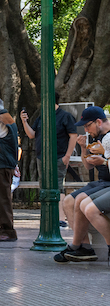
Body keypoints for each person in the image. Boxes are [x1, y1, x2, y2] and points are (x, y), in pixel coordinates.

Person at [53, 106, 110, 263]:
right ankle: (84, 246)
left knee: (81, 201)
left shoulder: (107, 138)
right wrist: (83, 147)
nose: (85, 129)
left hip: (107, 183)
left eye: (87, 126)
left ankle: (76, 246)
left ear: (98, 122)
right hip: (100, 181)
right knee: (68, 201)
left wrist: (104, 160)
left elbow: (105, 162)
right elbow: (88, 166)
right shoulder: (94, 136)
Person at [20, 92, 77, 228]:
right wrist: (24, 121)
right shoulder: (41, 117)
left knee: (58, 186)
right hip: (41, 157)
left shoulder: (65, 116)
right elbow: (32, 134)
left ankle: (60, 219)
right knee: (44, 185)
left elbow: (73, 136)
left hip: (58, 156)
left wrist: (67, 156)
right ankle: (47, 216)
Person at [0, 97, 20, 241]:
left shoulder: (0, 122)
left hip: (2, 164)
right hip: (4, 163)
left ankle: (7, 230)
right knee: (1, 197)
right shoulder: (5, 119)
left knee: (2, 197)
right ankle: (4, 228)